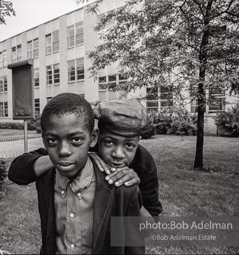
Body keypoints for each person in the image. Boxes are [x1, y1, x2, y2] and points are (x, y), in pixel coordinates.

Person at [9, 93, 144, 254]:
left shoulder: (121, 188)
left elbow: (133, 247)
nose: (64, 151)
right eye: (53, 141)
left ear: (93, 138)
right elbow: (16, 170)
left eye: (76, 140)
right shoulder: (45, 176)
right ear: (44, 140)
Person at [9, 99, 162, 219]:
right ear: (96, 138)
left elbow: (150, 226)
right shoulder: (82, 147)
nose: (118, 154)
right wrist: (76, 158)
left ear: (138, 141)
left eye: (129, 145)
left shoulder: (144, 163)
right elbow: (17, 171)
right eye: (109, 142)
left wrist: (131, 194)